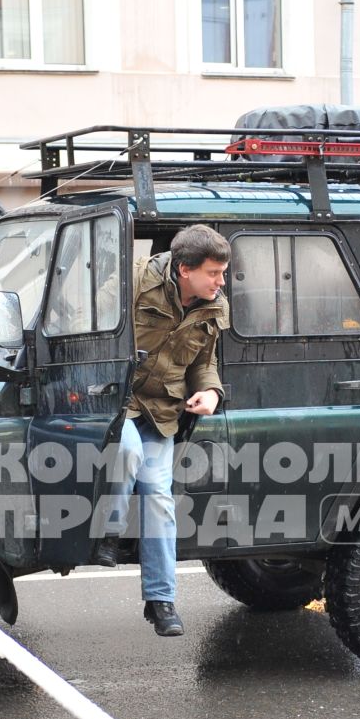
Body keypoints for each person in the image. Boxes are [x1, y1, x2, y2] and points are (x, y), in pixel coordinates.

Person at [91, 224, 230, 636]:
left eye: (222, 273)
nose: (221, 282)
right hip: (117, 400)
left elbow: (205, 360)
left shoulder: (213, 305)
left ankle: (161, 601)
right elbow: (91, 329)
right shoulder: (133, 282)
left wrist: (209, 391)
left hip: (161, 410)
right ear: (184, 269)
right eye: (214, 273)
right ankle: (110, 533)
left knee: (159, 498)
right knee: (128, 454)